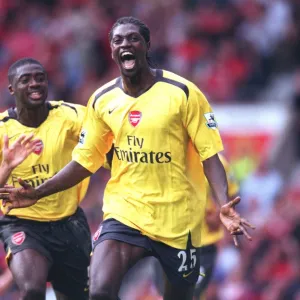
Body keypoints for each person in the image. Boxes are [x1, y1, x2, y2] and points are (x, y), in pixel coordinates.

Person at [0, 17, 254, 300]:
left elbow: (209, 155)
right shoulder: (101, 100)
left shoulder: (183, 93)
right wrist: (38, 192)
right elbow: (86, 161)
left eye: (133, 38)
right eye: (118, 40)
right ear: (111, 51)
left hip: (178, 219)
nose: (125, 44)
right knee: (99, 291)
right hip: (124, 212)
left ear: (146, 45)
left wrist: (223, 204)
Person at [0, 58, 91, 300]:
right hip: (23, 224)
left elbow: (105, 142)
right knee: (32, 289)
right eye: (25, 79)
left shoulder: (72, 116)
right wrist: (6, 166)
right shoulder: (2, 130)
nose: (35, 83)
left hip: (69, 223)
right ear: (12, 89)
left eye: (40, 78)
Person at [192, 153, 239, 300]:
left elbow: (231, 198)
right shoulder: (169, 158)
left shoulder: (218, 162)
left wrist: (219, 215)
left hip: (205, 242)